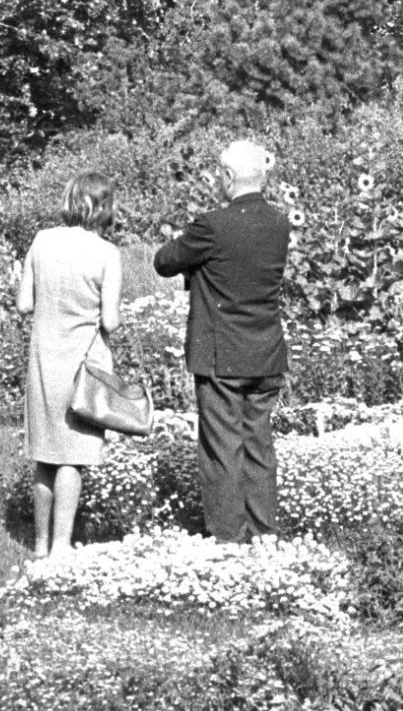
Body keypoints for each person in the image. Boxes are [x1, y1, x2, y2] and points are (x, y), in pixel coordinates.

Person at [154, 139, 291, 543]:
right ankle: (264, 534)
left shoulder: (212, 226)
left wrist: (185, 243)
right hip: (265, 351)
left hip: (220, 356)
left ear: (228, 177)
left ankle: (230, 540)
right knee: (258, 444)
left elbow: (164, 261)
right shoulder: (280, 222)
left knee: (222, 448)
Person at [16, 172, 125, 564]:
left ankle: (41, 545)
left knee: (45, 454)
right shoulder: (107, 253)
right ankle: (62, 546)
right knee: (72, 456)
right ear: (104, 207)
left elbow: (24, 303)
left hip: (44, 359)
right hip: (84, 365)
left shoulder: (43, 241)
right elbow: (110, 322)